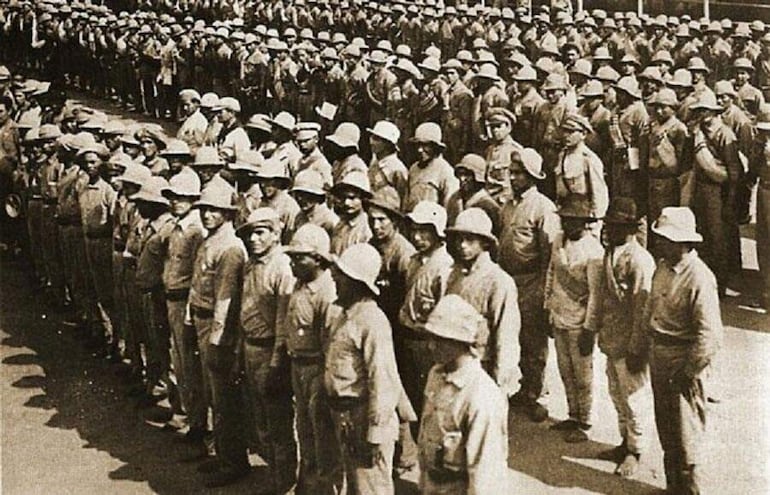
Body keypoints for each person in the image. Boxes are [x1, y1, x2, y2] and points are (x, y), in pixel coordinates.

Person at [645, 207, 723, 494]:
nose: (658, 243)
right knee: (667, 430)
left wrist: (689, 371)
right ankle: (673, 488)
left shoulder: (699, 278)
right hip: (659, 354)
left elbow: (710, 336)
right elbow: (651, 308)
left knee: (687, 437)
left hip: (683, 360)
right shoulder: (662, 267)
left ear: (682, 242)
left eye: (664, 238)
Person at [325, 243, 404, 494]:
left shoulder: (372, 320)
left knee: (371, 486)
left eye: (342, 275)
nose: (335, 279)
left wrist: (375, 433)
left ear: (357, 283)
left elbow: (383, 380)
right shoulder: (344, 314)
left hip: (363, 417)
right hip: (346, 416)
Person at [186, 179, 249, 487]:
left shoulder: (231, 248)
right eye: (204, 209)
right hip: (200, 318)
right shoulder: (209, 241)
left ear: (228, 213)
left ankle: (234, 461)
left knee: (224, 399)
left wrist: (217, 341)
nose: (207, 215)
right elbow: (197, 284)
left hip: (216, 326)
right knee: (212, 394)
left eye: (214, 210)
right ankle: (222, 453)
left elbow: (226, 299)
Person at [418, 294, 509, 494]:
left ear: (462, 341)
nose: (431, 346)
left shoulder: (481, 396)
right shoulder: (437, 374)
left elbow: (485, 474)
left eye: (440, 340)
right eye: (430, 337)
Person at [591, 197, 655, 477]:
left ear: (629, 229)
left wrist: (637, 348)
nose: (610, 231)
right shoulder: (610, 253)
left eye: (616, 226)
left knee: (634, 399)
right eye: (609, 225)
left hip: (630, 341)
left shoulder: (639, 260)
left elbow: (643, 309)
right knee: (616, 395)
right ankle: (624, 440)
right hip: (612, 337)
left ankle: (636, 449)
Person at [237, 207, 298, 495]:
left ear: (276, 234)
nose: (253, 239)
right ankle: (275, 477)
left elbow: (283, 322)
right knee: (261, 421)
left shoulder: (282, 268)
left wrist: (276, 363)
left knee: (278, 424)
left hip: (270, 352)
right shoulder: (251, 265)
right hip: (250, 347)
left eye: (260, 232)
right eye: (250, 233)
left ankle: (284, 483)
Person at [499, 148, 560, 423]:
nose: (513, 178)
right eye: (512, 173)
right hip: (509, 278)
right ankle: (525, 387)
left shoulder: (543, 207)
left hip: (532, 279)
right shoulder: (508, 204)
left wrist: (544, 290)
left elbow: (549, 252)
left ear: (532, 176)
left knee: (535, 340)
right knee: (515, 337)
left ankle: (538, 395)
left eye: (519, 174)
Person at [283, 225, 343, 494]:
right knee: (305, 431)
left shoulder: (327, 293)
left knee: (323, 438)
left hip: (317, 369)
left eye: (299, 258)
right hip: (298, 365)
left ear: (318, 259)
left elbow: (331, 344)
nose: (293, 263)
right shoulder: (300, 283)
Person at [544, 193, 604, 443]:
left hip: (579, 322)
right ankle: (572, 413)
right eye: (565, 220)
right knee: (565, 370)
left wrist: (589, 330)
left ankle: (585, 420)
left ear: (585, 223)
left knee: (583, 375)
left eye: (573, 220)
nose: (568, 225)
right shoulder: (559, 241)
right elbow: (551, 274)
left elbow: (596, 296)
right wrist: (548, 307)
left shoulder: (594, 252)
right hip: (559, 315)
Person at [445, 207, 521, 396]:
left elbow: (506, 335)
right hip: (454, 363)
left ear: (485, 243)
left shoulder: (498, 281)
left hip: (482, 365)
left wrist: (501, 382)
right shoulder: (453, 275)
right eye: (459, 239)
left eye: (470, 240)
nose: (462, 245)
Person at [161, 171, 207, 451]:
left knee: (190, 367)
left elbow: (196, 276)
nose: (176, 202)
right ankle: (188, 416)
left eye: (182, 198)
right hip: (171, 298)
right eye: (173, 197)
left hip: (185, 302)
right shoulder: (177, 228)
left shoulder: (195, 231)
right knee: (178, 361)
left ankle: (199, 424)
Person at [403, 122, 458, 213]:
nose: (420, 150)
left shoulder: (445, 171)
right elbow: (406, 201)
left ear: (435, 147)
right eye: (418, 145)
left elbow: (450, 207)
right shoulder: (413, 169)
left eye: (426, 145)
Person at [446, 153, 501, 236]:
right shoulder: (454, 199)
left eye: (467, 175)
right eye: (460, 174)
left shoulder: (489, 205)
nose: (462, 179)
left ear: (477, 178)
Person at [329, 170, 373, 256]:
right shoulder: (340, 224)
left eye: (352, 198)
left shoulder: (366, 229)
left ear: (363, 199)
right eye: (344, 197)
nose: (346, 203)